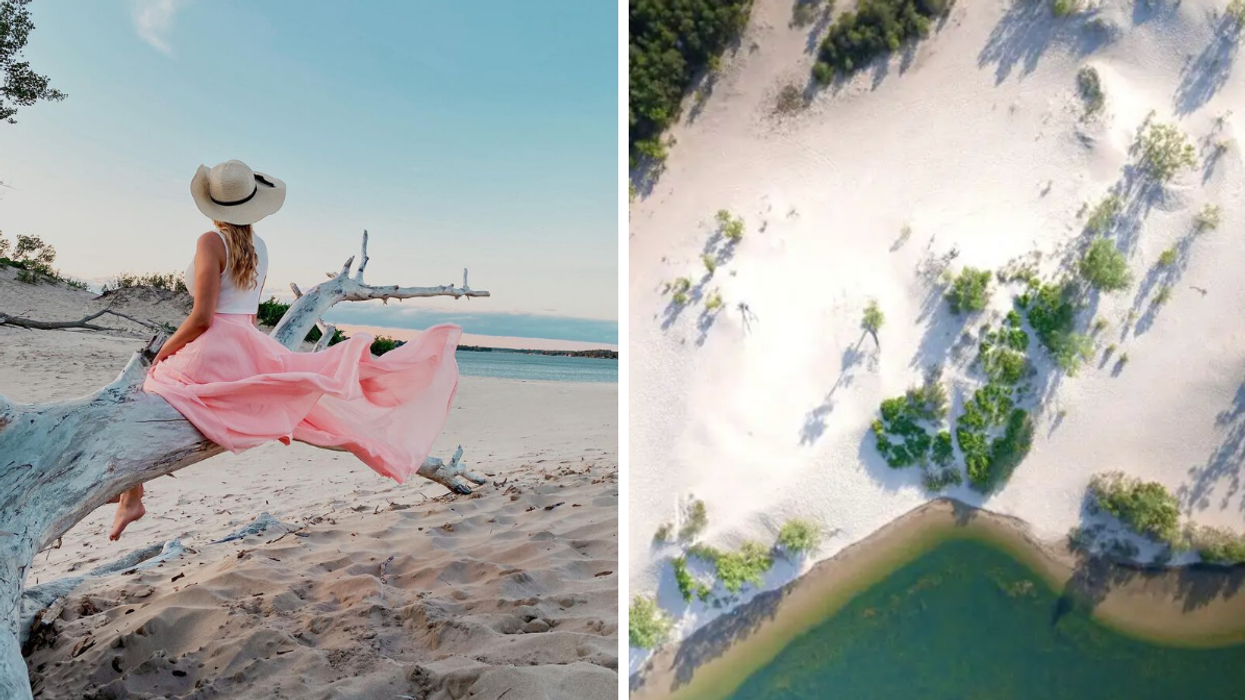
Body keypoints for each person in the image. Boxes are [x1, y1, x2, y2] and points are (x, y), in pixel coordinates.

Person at [109, 160, 462, 540]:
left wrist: (161, 355)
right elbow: (251, 310)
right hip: (247, 341)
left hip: (214, 346)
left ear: (212, 204)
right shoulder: (258, 246)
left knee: (146, 386)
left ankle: (132, 496)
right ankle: (132, 496)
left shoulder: (210, 241)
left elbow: (202, 318)